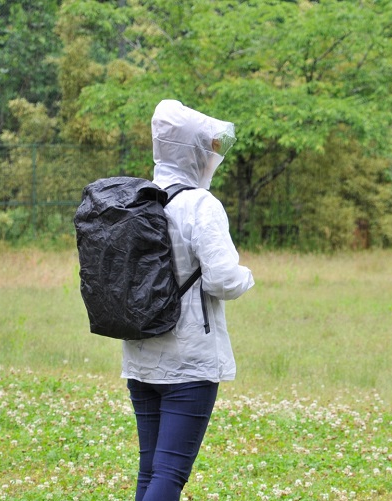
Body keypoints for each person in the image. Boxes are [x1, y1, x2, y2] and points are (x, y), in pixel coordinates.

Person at [122, 99, 254, 501]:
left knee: (150, 472)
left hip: (141, 356)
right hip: (190, 362)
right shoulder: (200, 205)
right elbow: (224, 279)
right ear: (194, 153)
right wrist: (248, 276)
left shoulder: (138, 198)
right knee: (170, 474)